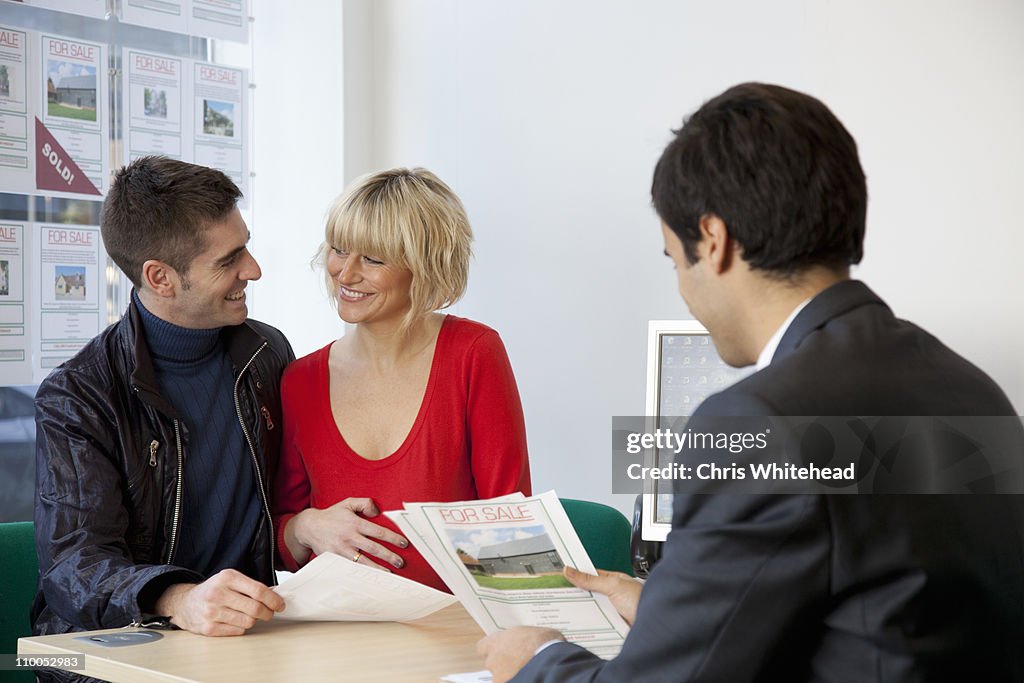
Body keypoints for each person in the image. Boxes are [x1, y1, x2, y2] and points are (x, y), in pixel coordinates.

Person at [479, 83, 1024, 681]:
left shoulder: (756, 424)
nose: (683, 290)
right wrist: (675, 614)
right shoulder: (974, 389)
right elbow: (888, 610)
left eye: (673, 259)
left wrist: (536, 661)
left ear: (713, 241)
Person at [33, 157, 294, 681]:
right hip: (108, 651)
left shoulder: (265, 353)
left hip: (241, 644)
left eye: (246, 245)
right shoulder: (77, 394)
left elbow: (284, 501)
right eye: (229, 260)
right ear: (161, 277)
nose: (254, 270)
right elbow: (73, 566)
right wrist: (179, 598)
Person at [274, 168, 531, 592]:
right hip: (334, 627)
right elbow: (280, 537)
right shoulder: (299, 380)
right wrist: (305, 526)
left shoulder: (473, 353)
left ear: (424, 266)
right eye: (339, 250)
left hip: (451, 629)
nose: (346, 273)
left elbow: (509, 519)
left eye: (373, 259)